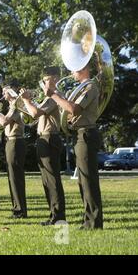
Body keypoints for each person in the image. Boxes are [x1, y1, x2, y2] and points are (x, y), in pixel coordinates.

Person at [45, 62, 103, 229]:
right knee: (83, 180)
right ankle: (88, 220)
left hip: (86, 134)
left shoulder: (90, 87)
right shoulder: (82, 87)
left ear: (83, 69)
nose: (71, 72)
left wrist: (53, 95)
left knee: (88, 180)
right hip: (80, 134)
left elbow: (73, 109)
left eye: (74, 68)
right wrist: (56, 93)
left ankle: (94, 222)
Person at [20, 66, 66, 225]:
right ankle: (54, 214)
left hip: (49, 138)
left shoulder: (55, 96)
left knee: (52, 179)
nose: (44, 83)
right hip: (43, 138)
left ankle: (58, 216)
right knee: (47, 180)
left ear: (55, 79)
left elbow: (34, 113)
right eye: (44, 80)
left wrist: (26, 100)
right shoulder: (49, 97)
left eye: (47, 80)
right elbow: (33, 118)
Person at [0, 80, 27, 219]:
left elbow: (4, 122)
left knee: (15, 177)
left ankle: (20, 210)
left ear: (13, 90)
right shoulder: (12, 105)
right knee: (12, 177)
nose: (3, 95)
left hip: (16, 141)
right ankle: (17, 208)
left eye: (6, 91)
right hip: (11, 141)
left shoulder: (17, 105)